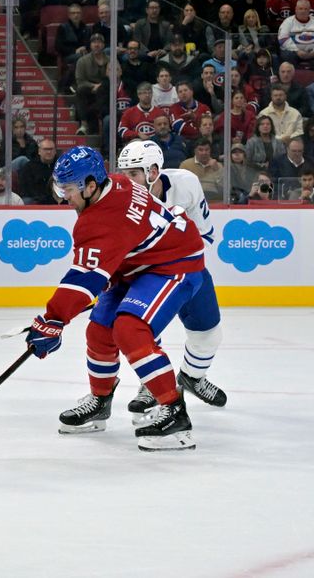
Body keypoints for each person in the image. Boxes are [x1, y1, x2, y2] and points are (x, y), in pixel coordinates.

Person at [26, 146, 205, 451]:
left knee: (129, 329)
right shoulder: (116, 183)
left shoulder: (101, 221)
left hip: (175, 262)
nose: (61, 196)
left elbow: (84, 280)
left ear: (91, 186)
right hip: (137, 265)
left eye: (68, 189)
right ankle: (100, 401)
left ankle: (175, 414)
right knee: (99, 329)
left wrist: (52, 320)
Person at [116, 140, 226, 415]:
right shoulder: (120, 199)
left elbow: (206, 236)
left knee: (209, 333)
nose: (126, 181)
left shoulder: (186, 184)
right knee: (142, 332)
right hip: (146, 274)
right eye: (123, 173)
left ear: (153, 171)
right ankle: (151, 383)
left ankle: (193, 377)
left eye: (134, 174)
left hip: (189, 268)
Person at [18, 138, 60, 205]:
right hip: (37, 200)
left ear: (55, 151)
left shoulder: (62, 166)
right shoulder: (29, 167)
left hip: (57, 199)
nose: (49, 152)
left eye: (51, 149)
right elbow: (26, 190)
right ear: (39, 151)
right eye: (46, 149)